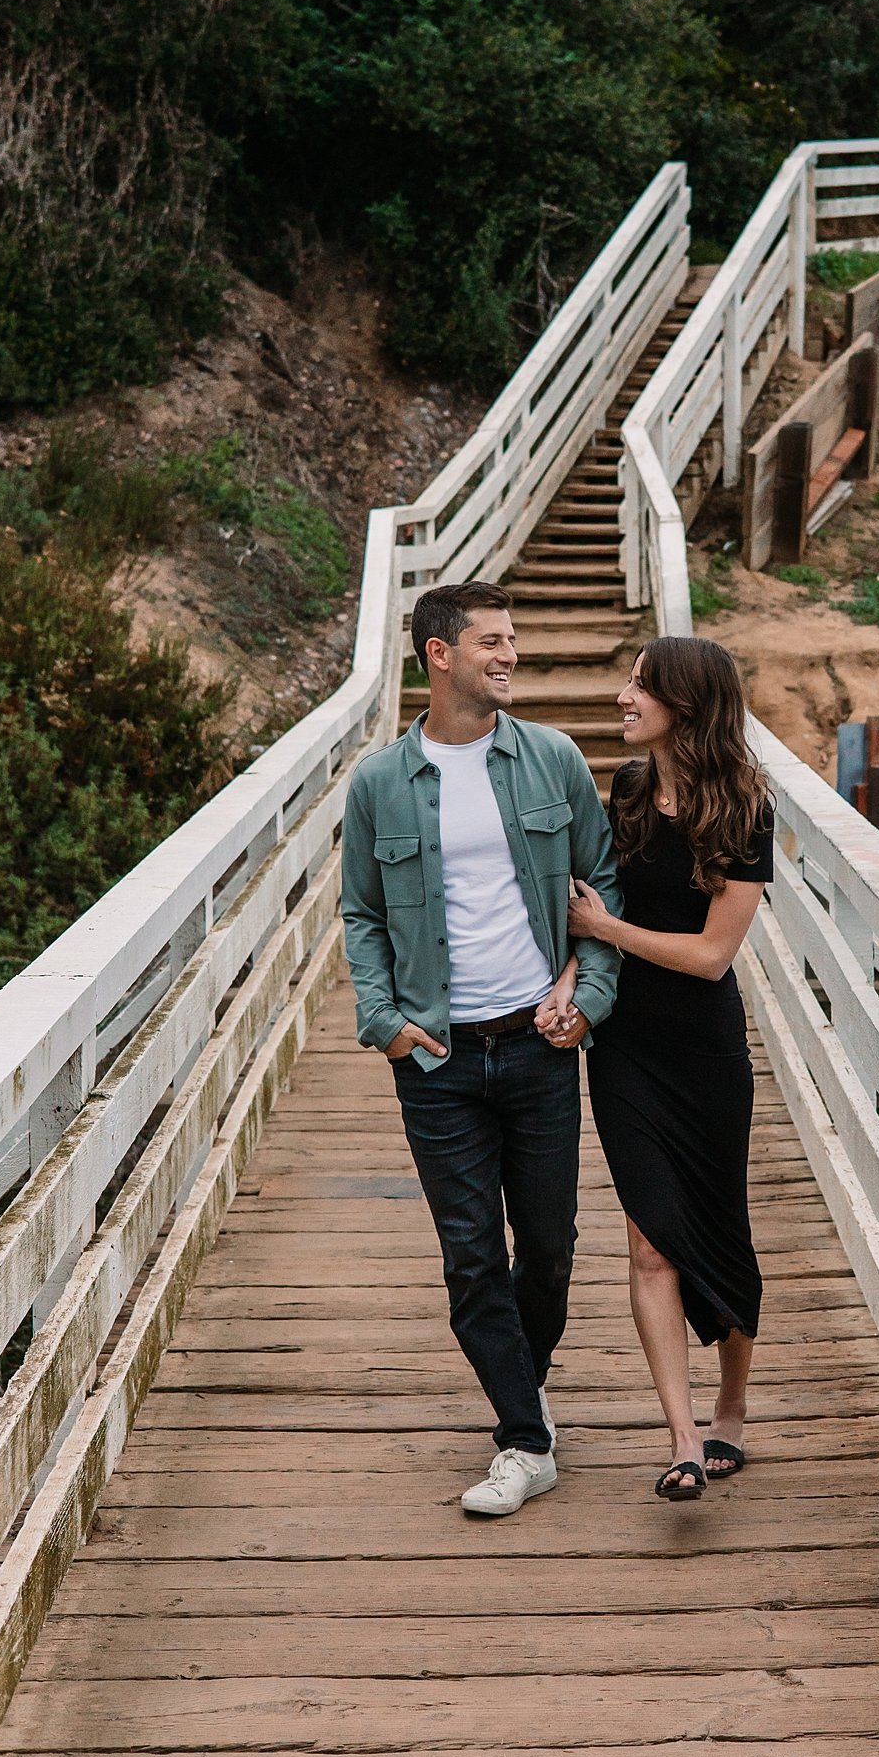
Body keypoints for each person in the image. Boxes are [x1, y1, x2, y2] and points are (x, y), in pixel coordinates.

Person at [341, 582, 622, 1517]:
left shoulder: (552, 760)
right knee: (470, 1257)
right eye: (492, 642)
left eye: (514, 641)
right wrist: (384, 1022)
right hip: (438, 1060)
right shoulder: (381, 782)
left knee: (547, 1249)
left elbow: (602, 884)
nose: (509, 656)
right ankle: (524, 1437)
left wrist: (588, 991)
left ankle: (519, 1387)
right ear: (440, 655)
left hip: (540, 1046)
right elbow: (362, 914)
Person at [561, 635, 772, 1500]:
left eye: (641, 686)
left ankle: (731, 1406)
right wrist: (576, 979)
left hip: (706, 1050)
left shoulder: (747, 809)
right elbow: (605, 899)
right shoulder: (632, 787)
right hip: (627, 1050)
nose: (622, 696)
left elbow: (712, 956)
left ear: (685, 704)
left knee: (720, 1236)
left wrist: (602, 935)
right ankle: (682, 1439)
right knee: (650, 1241)